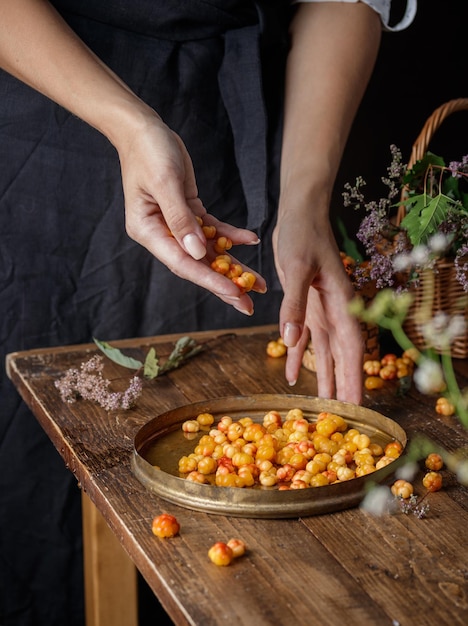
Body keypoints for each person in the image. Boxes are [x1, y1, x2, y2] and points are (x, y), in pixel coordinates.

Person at [0, 1, 416, 624]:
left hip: (244, 116)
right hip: (53, 114)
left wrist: (302, 201)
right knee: (47, 477)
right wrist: (132, 126)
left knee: (251, 547)